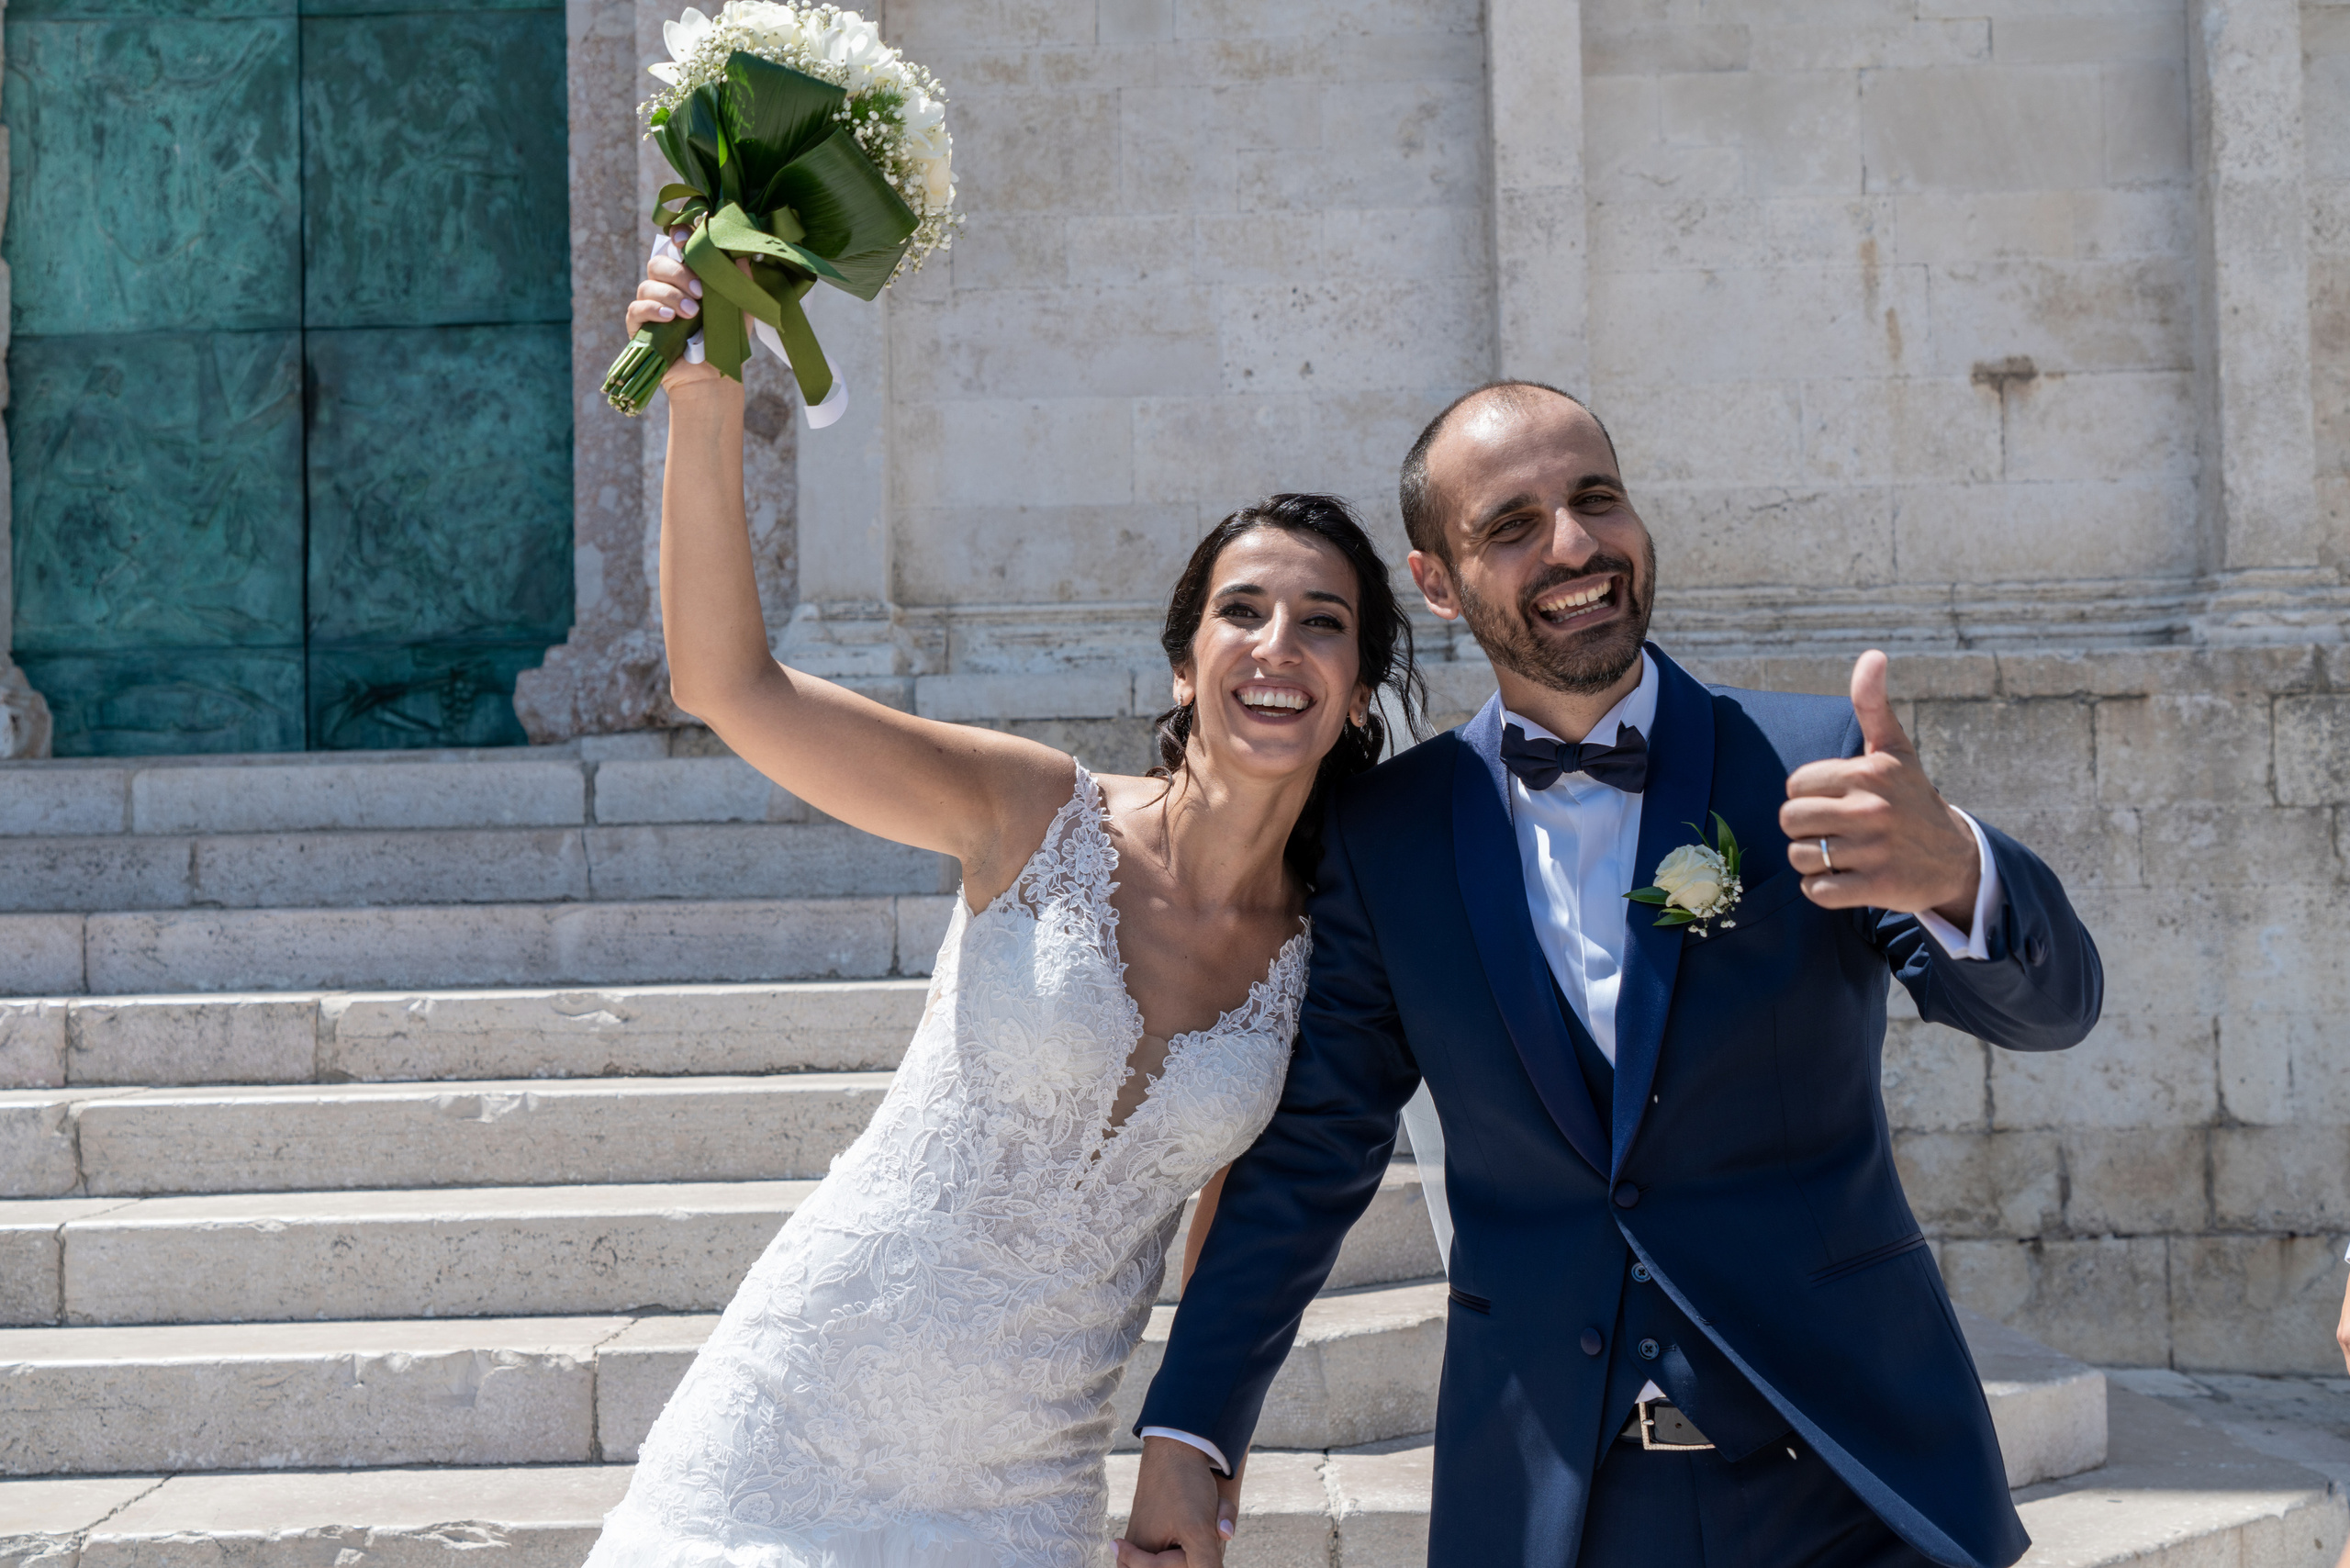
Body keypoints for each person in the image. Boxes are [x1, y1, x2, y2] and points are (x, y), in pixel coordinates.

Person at [1120, 381, 2105, 1568]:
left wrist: (1961, 874)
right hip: (1553, 1504)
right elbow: (1311, 1157)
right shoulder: (1389, 838)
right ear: (1436, 583)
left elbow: (2051, 1010)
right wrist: (1190, 1430)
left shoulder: (1810, 763)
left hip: (1852, 1482)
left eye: (1596, 499)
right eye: (1513, 524)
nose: (1575, 544)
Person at [582, 254, 1425, 1568]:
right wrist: (704, 389)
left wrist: (1199, 1471)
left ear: (1361, 691)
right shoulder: (1033, 814)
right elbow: (728, 682)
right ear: (1184, 659)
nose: (1277, 646)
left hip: (1019, 1487)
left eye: (1323, 624)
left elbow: (1235, 1258)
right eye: (1241, 611)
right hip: (788, 1419)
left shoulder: (1332, 954)